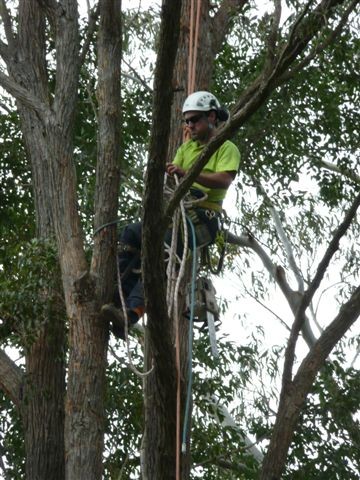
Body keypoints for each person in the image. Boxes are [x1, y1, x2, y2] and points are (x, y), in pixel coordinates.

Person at [101, 91, 240, 339]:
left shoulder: (226, 147)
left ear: (211, 116)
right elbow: (173, 178)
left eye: (195, 119)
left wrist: (188, 173)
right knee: (132, 233)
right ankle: (117, 295)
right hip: (177, 213)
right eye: (186, 121)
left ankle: (132, 313)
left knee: (163, 247)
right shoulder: (187, 148)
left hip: (204, 219)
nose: (190, 125)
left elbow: (224, 180)